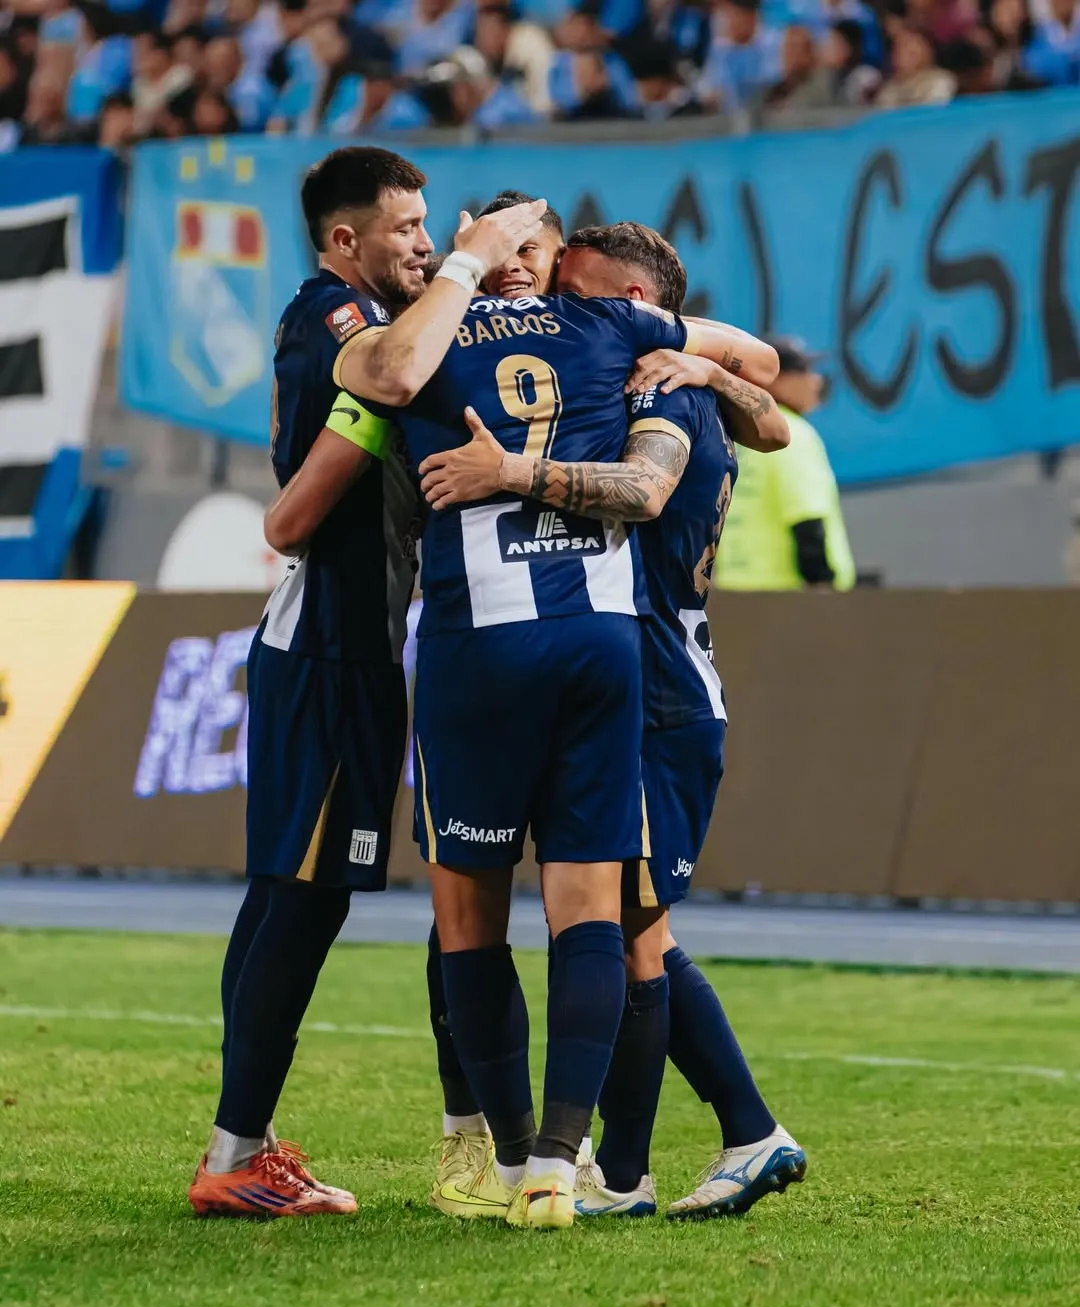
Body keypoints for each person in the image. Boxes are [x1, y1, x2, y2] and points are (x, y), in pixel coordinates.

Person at [326, 198, 764, 1230]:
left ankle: (509, 1154)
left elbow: (379, 378)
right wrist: (699, 365)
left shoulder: (417, 336)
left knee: (469, 916)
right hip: (605, 648)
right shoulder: (612, 330)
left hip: (479, 647)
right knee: (596, 916)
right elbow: (760, 367)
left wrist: (461, 278)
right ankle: (566, 1171)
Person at [186, 146, 549, 1219]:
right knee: (302, 902)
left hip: (348, 644)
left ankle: (238, 1143)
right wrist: (476, 264)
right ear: (347, 241)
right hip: (329, 646)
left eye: (435, 226)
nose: (428, 244)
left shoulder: (362, 317)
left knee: (285, 903)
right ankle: (236, 1156)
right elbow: (376, 398)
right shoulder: (331, 314)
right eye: (407, 230)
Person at [422, 220, 806, 1221]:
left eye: (578, 295)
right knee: (637, 928)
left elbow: (647, 488)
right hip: (651, 668)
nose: (557, 310)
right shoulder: (660, 375)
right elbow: (773, 414)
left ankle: (679, 1152)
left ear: (630, 308)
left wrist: (508, 472)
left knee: (638, 938)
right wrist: (720, 370)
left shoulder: (656, 388)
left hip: (658, 681)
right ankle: (669, 1153)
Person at [713, 335, 855, 592]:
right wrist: (822, 585)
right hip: (790, 599)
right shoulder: (792, 434)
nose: (815, 381)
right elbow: (807, 519)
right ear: (776, 378)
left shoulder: (736, 434)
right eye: (805, 371)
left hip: (735, 594)